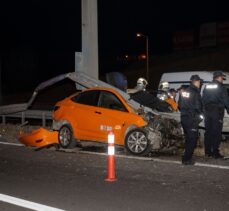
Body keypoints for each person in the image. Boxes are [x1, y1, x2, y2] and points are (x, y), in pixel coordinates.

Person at [202, 71, 229, 159]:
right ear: (218, 77)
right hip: (217, 112)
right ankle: (215, 153)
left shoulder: (207, 86)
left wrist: (203, 110)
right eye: (222, 77)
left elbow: (203, 99)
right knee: (216, 132)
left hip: (207, 111)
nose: (223, 79)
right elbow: (226, 100)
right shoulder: (221, 87)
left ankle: (207, 152)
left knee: (208, 131)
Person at [178, 75, 203, 165]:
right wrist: (200, 116)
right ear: (196, 82)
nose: (200, 83)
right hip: (191, 119)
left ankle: (186, 157)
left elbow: (180, 105)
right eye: (199, 82)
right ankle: (186, 160)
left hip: (184, 118)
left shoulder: (185, 91)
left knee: (188, 139)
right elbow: (198, 107)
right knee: (192, 140)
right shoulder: (195, 92)